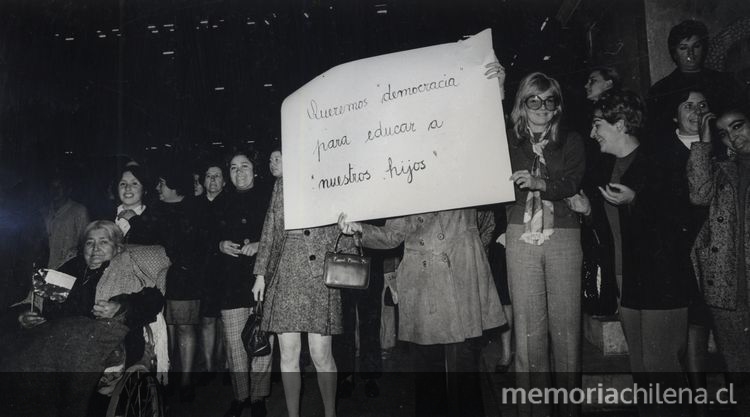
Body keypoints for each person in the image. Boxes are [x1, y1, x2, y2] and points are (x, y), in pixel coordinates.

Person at [570, 90, 688, 416]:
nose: (593, 133)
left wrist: (636, 199)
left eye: (598, 125)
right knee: (640, 367)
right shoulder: (606, 167)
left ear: (620, 124)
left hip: (661, 281)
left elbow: (679, 218)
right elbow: (613, 226)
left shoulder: (658, 159)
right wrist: (588, 211)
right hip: (625, 279)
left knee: (660, 368)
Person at [0, 220, 166, 417]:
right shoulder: (70, 268)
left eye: (104, 242)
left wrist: (121, 307)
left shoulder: (126, 266)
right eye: (89, 243)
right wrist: (27, 315)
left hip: (106, 337)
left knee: (75, 354)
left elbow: (153, 298)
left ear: (117, 246)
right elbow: (36, 301)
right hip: (59, 337)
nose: (95, 249)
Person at [504, 71, 585, 417]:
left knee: (566, 329)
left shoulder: (572, 140)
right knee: (527, 330)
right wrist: (495, 84)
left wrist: (539, 182)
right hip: (519, 234)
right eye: (532, 100)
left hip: (563, 234)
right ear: (522, 105)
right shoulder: (506, 142)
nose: (540, 107)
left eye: (548, 100)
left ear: (557, 106)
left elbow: (572, 182)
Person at [253, 149, 347, 417]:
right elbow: (270, 229)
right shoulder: (280, 185)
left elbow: (345, 232)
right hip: (285, 274)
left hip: (319, 277)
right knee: (288, 356)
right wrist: (260, 275)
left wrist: (350, 230)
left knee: (321, 355)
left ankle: (331, 413)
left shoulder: (332, 180)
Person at [688, 106, 750, 416]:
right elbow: (698, 194)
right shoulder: (724, 168)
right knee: (739, 374)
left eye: (738, 126)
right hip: (728, 286)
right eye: (725, 133)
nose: (733, 137)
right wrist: (703, 142)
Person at [659, 89, 713, 417]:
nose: (696, 111)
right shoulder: (662, 150)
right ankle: (696, 402)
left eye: (702, 105)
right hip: (677, 251)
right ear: (675, 114)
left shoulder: (719, 145)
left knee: (703, 324)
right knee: (688, 327)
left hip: (713, 249)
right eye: (688, 106)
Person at [212, 151, 272, 417]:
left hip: (261, 278)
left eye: (244, 166)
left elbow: (280, 235)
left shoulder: (269, 197)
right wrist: (219, 244)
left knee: (261, 339)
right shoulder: (220, 201)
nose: (239, 172)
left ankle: (258, 397)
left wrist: (260, 246)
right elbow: (205, 238)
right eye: (233, 168)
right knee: (235, 342)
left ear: (255, 170)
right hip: (229, 281)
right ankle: (240, 396)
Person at [155, 166, 203, 401]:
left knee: (185, 327)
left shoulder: (194, 210)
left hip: (185, 279)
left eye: (161, 183)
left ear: (175, 186)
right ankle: (171, 377)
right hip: (162, 280)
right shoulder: (157, 211)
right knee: (168, 329)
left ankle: (186, 381)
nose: (157, 188)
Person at [648, 20, 742, 138]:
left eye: (696, 46)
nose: (690, 53)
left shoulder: (725, 81)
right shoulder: (661, 89)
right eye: (683, 48)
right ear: (674, 53)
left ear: (703, 49)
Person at [196, 162, 228, 381]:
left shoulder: (232, 203)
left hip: (227, 269)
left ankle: (227, 364)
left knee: (226, 319)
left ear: (224, 181)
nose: (213, 180)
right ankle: (209, 368)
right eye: (209, 176)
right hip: (204, 270)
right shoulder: (194, 205)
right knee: (207, 318)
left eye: (217, 176)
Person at [44, 174, 90, 269]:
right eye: (52, 187)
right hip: (47, 267)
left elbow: (86, 240)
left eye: (59, 187)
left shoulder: (79, 210)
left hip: (68, 268)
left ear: (68, 190)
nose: (55, 190)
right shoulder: (45, 212)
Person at [113, 165, 159, 245]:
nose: (127, 188)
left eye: (134, 183)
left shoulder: (155, 217)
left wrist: (134, 220)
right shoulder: (106, 216)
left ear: (144, 190)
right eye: (123, 183)